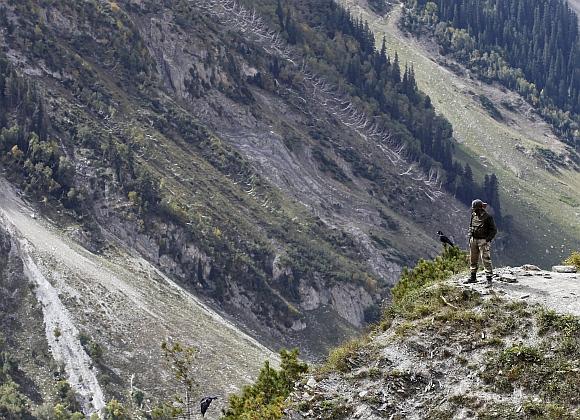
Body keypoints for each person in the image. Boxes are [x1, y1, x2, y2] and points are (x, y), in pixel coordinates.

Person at [465, 199, 497, 286]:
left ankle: (489, 279)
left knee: (486, 259)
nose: (474, 210)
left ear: (479, 208)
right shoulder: (473, 215)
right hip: (473, 240)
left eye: (475, 209)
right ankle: (473, 277)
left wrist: (487, 240)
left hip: (483, 240)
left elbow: (493, 230)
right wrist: (470, 236)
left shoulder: (488, 217)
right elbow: (471, 226)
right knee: (473, 259)